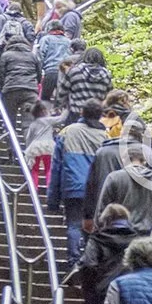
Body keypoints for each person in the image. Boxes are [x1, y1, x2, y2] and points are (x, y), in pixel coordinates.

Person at [47, 101, 110, 262]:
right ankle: (89, 259)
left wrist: (52, 199)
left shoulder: (68, 131)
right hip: (97, 189)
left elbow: (56, 166)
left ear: (82, 113)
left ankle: (74, 259)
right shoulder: (105, 137)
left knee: (74, 224)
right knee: (93, 227)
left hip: (73, 185)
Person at [70, 204, 144, 304]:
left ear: (105, 221)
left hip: (103, 295)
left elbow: (89, 264)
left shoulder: (97, 240)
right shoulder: (138, 240)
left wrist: (89, 289)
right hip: (133, 294)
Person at [86, 134, 152, 239]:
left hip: (118, 237)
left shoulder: (114, 178)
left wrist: (99, 231)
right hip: (147, 237)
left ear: (124, 160)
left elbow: (102, 209)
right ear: (144, 161)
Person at [0, 27, 42, 126]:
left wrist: (4, 86)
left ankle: (10, 140)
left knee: (9, 121)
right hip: (30, 91)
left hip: (11, 90)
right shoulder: (32, 56)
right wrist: (33, 85)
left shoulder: (6, 55)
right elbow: (39, 74)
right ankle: (28, 140)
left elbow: (0, 74)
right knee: (29, 122)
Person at [57, 46, 113, 120]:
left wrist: (60, 105)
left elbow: (62, 92)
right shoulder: (106, 74)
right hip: (97, 115)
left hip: (76, 113)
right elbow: (109, 96)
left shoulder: (75, 71)